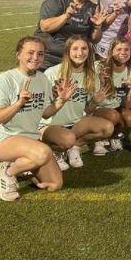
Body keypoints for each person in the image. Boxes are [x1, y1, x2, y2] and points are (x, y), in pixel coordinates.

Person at [0, 37, 74, 201]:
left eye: (40, 54)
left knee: (54, 184)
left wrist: (61, 100)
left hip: (30, 137)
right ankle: (7, 172)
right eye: (30, 53)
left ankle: (23, 163)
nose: (35, 58)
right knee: (43, 152)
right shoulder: (4, 80)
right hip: (4, 138)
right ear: (18, 54)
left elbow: (45, 113)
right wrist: (18, 104)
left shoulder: (42, 79)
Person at [40, 36, 115, 170]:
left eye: (84, 48)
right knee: (66, 139)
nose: (80, 53)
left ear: (89, 51)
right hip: (50, 125)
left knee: (107, 128)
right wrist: (57, 97)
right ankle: (54, 150)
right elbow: (42, 109)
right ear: (67, 51)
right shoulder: (52, 72)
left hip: (75, 124)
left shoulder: (91, 75)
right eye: (75, 49)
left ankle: (73, 147)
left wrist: (95, 101)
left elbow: (88, 110)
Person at [35, 0, 108, 70]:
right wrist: (66, 16)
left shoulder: (93, 8)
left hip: (74, 59)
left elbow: (94, 39)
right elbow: (45, 27)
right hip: (48, 58)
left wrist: (97, 27)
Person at [93, 38, 131, 152]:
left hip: (116, 108)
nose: (123, 53)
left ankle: (114, 137)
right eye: (119, 49)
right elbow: (92, 95)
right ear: (111, 52)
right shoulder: (99, 66)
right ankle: (97, 140)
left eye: (126, 50)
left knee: (130, 119)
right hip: (96, 107)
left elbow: (126, 106)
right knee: (114, 116)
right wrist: (102, 81)